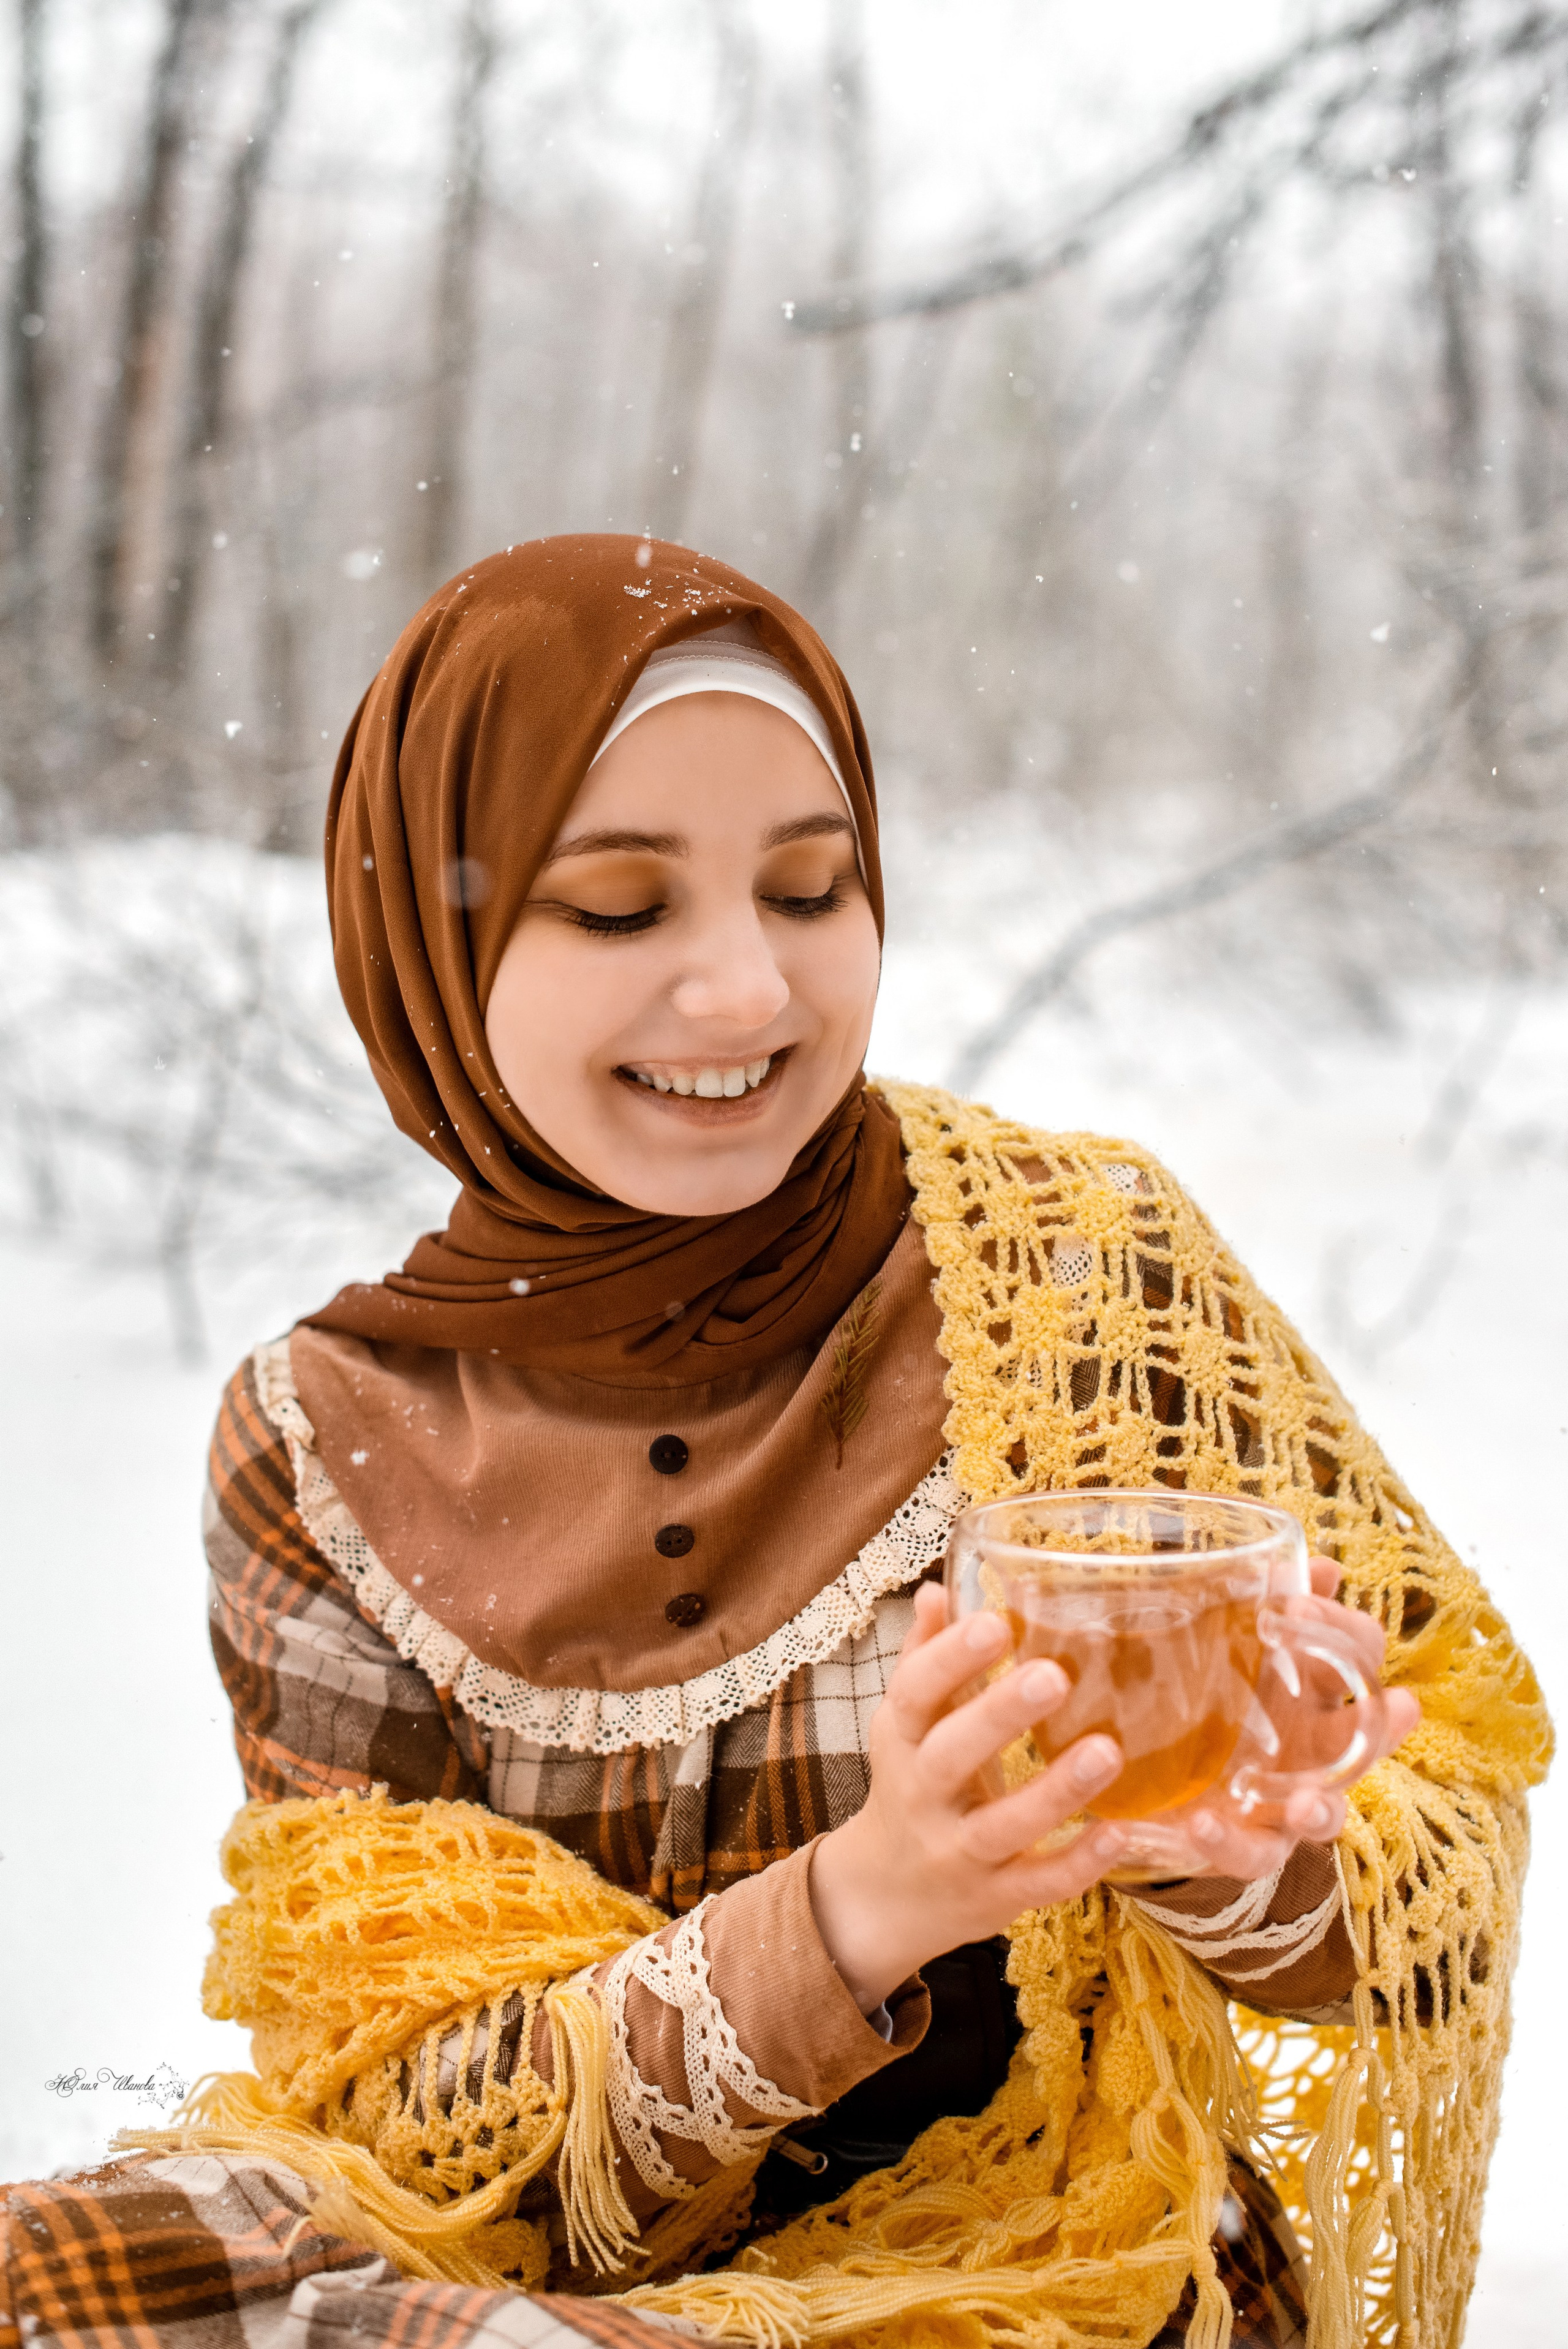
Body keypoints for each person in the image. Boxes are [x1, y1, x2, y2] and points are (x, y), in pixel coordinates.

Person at [1, 537, 1546, 2349]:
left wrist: (1235, 1847)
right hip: (514, 2279)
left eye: (811, 890)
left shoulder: (1071, 1277)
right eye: (618, 907)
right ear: (434, 939)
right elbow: (422, 2121)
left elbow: (1430, 1875)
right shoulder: (326, 1440)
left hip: (1040, 2248)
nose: (746, 992)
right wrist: (860, 1908)